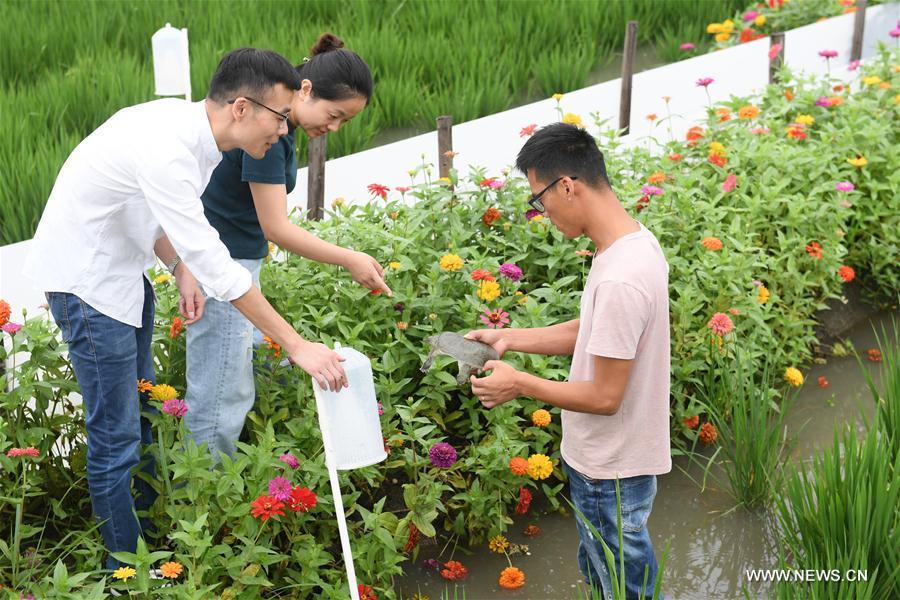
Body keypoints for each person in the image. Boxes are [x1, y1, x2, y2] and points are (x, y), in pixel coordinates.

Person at [23, 47, 348, 570]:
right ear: (241, 108)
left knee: (143, 415)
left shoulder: (199, 138)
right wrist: (296, 346)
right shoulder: (169, 148)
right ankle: (126, 569)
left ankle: (156, 542)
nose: (284, 130)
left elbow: (150, 214)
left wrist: (177, 267)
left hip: (122, 277)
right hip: (87, 287)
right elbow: (220, 267)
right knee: (117, 435)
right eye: (280, 116)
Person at [468, 123, 671, 598]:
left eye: (538, 200)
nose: (542, 214)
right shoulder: (633, 243)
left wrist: (518, 383)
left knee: (625, 591)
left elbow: (604, 397)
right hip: (618, 464)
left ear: (566, 186)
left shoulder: (620, 278)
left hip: (609, 472)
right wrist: (508, 338)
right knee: (609, 581)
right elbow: (595, 331)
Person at [181, 33, 390, 459]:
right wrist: (349, 258)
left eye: (344, 121)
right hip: (223, 267)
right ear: (306, 89)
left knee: (248, 370)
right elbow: (275, 227)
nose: (333, 128)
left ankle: (238, 470)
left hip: (234, 262)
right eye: (334, 115)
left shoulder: (278, 127)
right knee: (221, 394)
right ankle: (201, 489)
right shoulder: (268, 136)